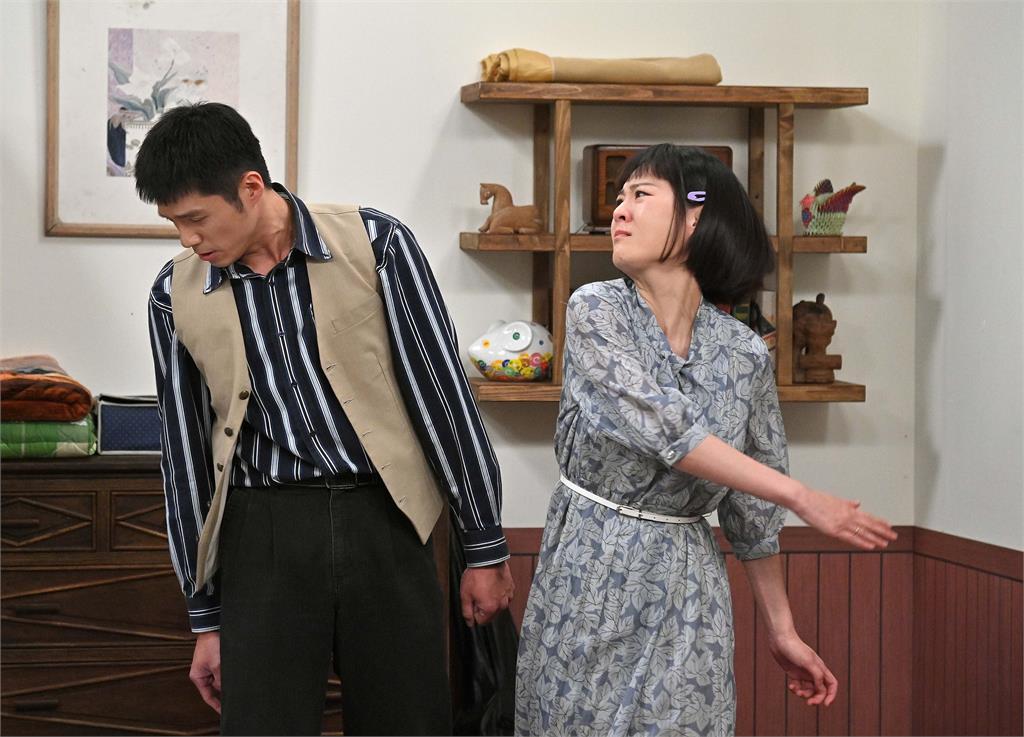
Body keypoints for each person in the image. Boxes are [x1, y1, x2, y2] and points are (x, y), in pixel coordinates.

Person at [139, 102, 515, 736]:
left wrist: (484, 545)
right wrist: (204, 617)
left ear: (250, 188)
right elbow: (184, 455)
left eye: (196, 218)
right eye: (174, 223)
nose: (187, 239)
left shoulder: (377, 244)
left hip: (387, 519)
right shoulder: (172, 294)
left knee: (407, 724)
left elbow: (442, 396)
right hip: (263, 533)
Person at [515, 144, 896, 736]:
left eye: (641, 195)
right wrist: (803, 496)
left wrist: (783, 630)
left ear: (696, 217)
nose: (619, 210)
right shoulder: (596, 311)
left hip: (689, 587)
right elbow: (667, 429)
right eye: (620, 197)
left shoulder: (744, 352)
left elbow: (751, 512)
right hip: (591, 568)